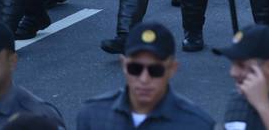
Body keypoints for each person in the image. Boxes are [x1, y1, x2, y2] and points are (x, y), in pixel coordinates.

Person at [75, 22, 215, 129]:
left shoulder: (197, 125)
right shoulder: (92, 116)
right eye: (135, 68)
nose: (144, 79)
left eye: (155, 71)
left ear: (172, 69)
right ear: (124, 65)